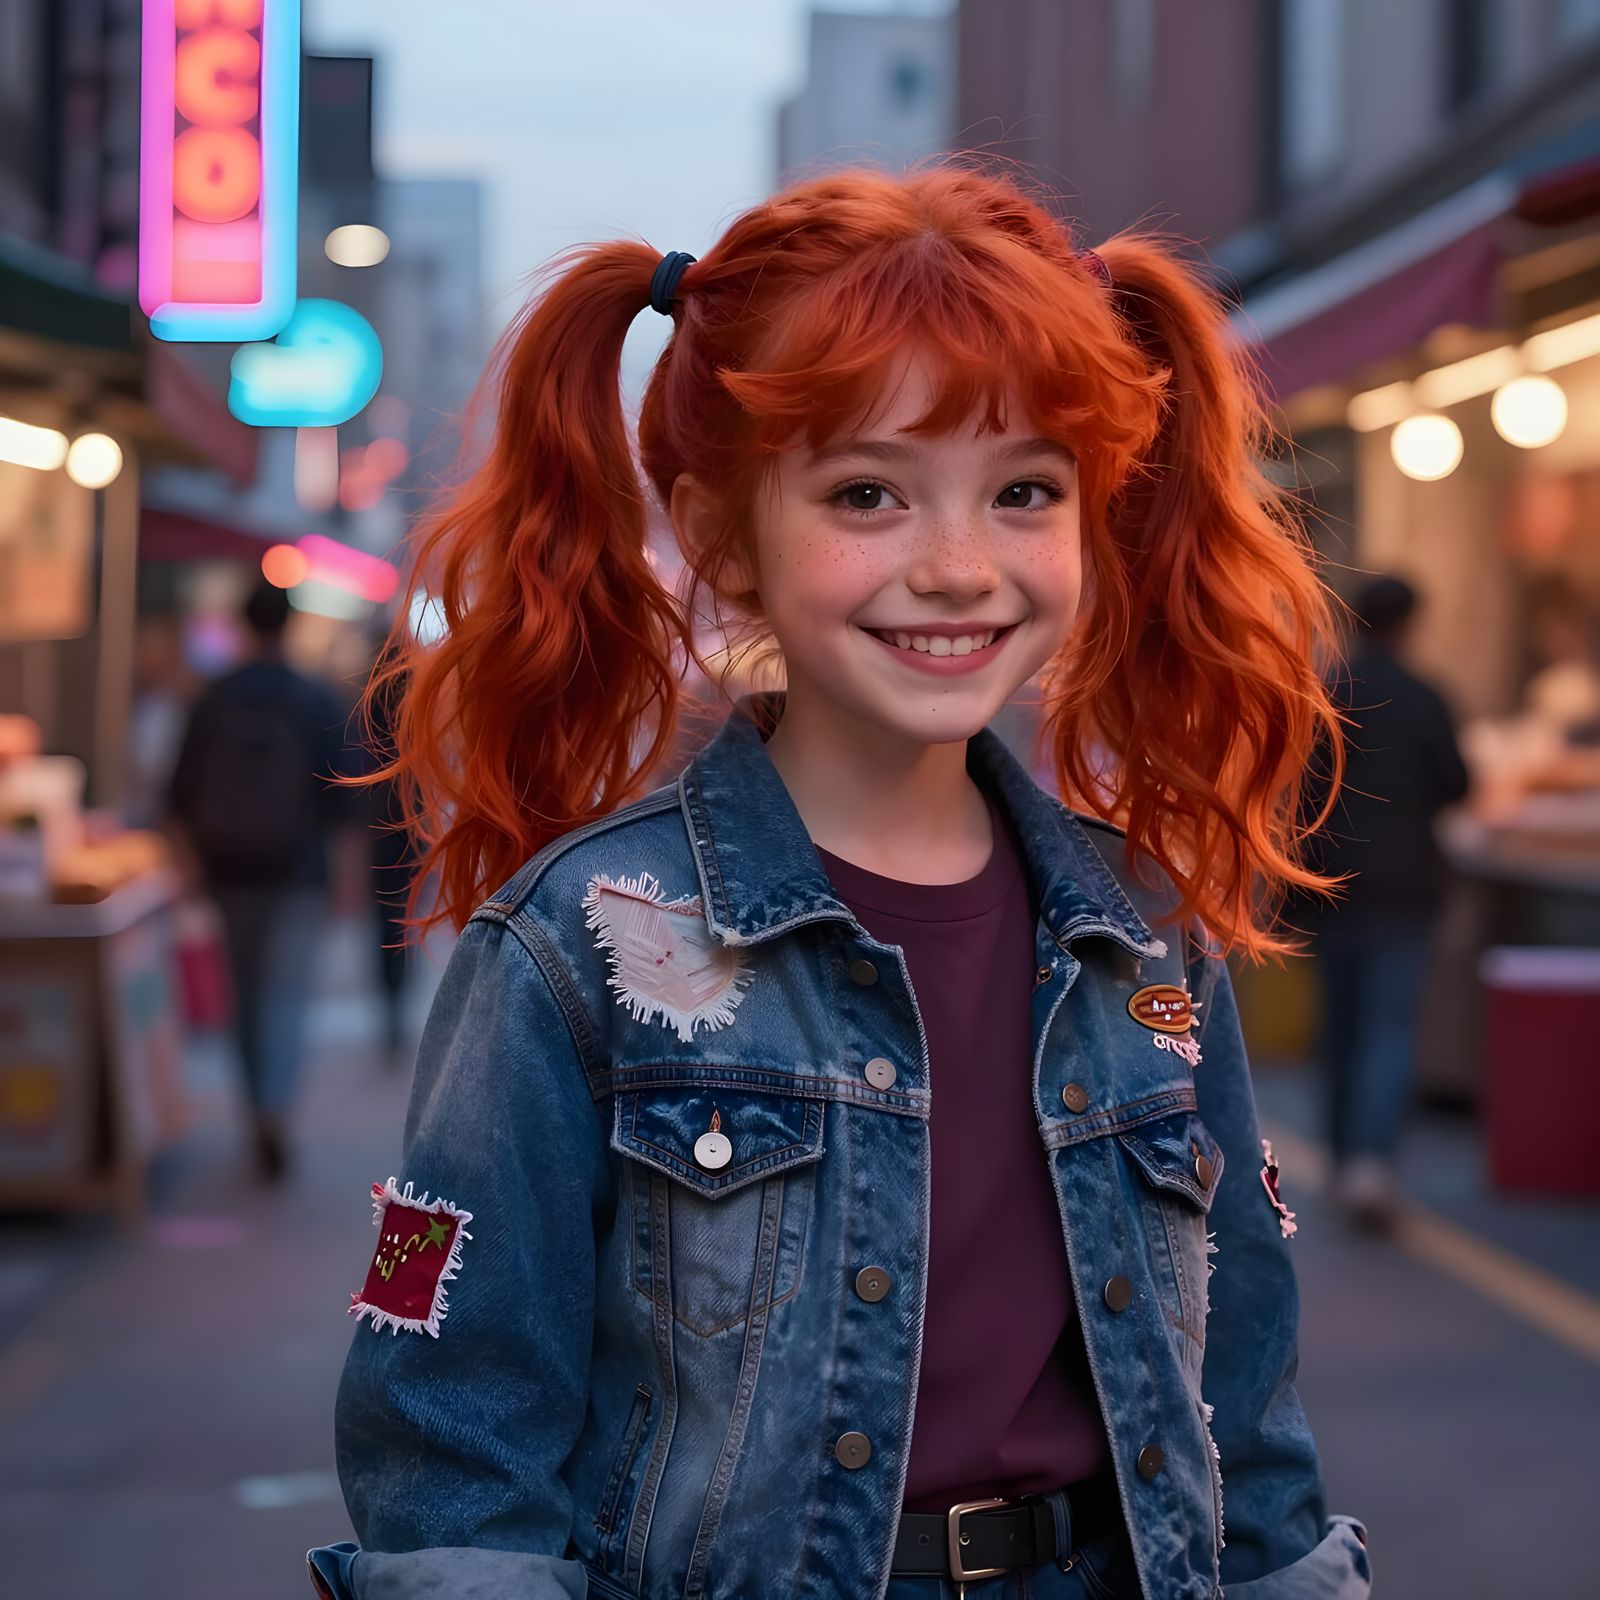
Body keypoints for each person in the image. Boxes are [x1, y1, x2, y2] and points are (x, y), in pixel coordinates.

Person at [308, 165, 1370, 1600]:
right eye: (867, 492)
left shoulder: (1148, 931)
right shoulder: (577, 940)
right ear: (722, 532)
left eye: (1024, 491)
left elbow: (1244, 1406)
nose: (958, 567)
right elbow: (450, 1450)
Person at [167, 579, 364, 1181]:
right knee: (286, 997)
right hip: (298, 872)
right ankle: (275, 1111)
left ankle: (256, 1109)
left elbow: (179, 793)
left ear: (244, 625)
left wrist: (189, 868)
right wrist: (347, 879)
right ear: (290, 624)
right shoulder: (315, 698)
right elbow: (344, 801)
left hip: (229, 870)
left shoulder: (214, 697)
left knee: (245, 997)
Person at [1303, 575, 1470, 1231]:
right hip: (1406, 886)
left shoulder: (1325, 692)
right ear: (1409, 623)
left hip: (1334, 883)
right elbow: (1456, 782)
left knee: (1341, 1025)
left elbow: (1299, 790)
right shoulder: (1427, 696)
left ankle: (1341, 1157)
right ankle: (1372, 1164)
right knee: (1389, 1027)